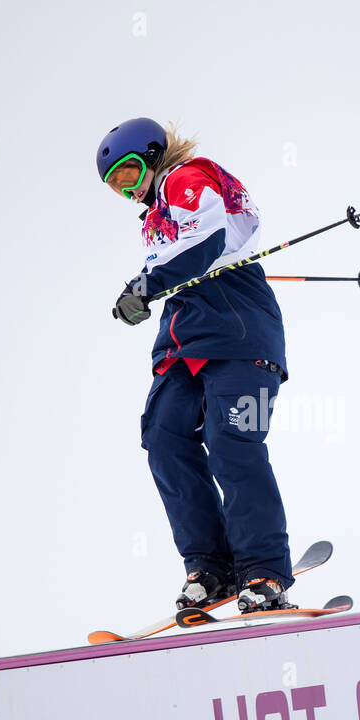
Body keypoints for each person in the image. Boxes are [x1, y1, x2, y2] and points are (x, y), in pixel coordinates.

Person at [96, 117, 295, 613]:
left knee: (233, 441)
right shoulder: (154, 218)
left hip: (243, 341)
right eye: (114, 185)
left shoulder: (185, 179)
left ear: (152, 153)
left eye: (128, 170)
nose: (126, 187)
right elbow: (170, 263)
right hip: (183, 348)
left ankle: (265, 570)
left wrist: (146, 285)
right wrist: (140, 290)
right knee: (163, 438)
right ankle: (210, 566)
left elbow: (204, 241)